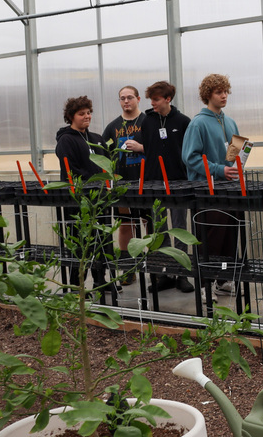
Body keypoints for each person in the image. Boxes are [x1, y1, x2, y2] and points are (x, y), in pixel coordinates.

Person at [182, 73, 242, 300]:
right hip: (207, 191)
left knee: (229, 236)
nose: (224, 95)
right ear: (208, 95)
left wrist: (237, 164)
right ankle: (205, 283)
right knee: (210, 238)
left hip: (229, 189)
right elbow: (190, 157)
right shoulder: (198, 123)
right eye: (219, 92)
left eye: (226, 91)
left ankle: (224, 280)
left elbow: (233, 154)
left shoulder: (230, 121)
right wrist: (219, 170)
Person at [138, 80, 194, 293]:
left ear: (168, 99)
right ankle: (164, 272)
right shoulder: (148, 122)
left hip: (178, 181)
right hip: (154, 182)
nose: (152, 103)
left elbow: (187, 151)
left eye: (156, 99)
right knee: (159, 228)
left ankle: (181, 273)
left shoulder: (182, 121)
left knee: (179, 227)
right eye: (151, 99)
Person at [54, 95, 109, 292]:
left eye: (89, 113)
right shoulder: (66, 140)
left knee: (101, 241)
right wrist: (92, 181)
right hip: (79, 201)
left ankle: (100, 281)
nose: (87, 116)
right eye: (81, 113)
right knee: (80, 243)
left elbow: (106, 164)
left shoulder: (97, 139)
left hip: (100, 199)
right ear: (71, 116)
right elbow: (72, 170)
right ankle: (78, 286)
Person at [103, 86, 146, 263]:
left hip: (147, 184)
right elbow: (104, 155)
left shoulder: (147, 122)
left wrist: (141, 148)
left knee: (149, 223)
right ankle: (127, 266)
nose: (126, 101)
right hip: (122, 187)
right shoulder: (112, 127)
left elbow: (160, 150)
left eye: (129, 97)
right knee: (126, 225)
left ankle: (157, 268)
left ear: (138, 99)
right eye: (122, 98)